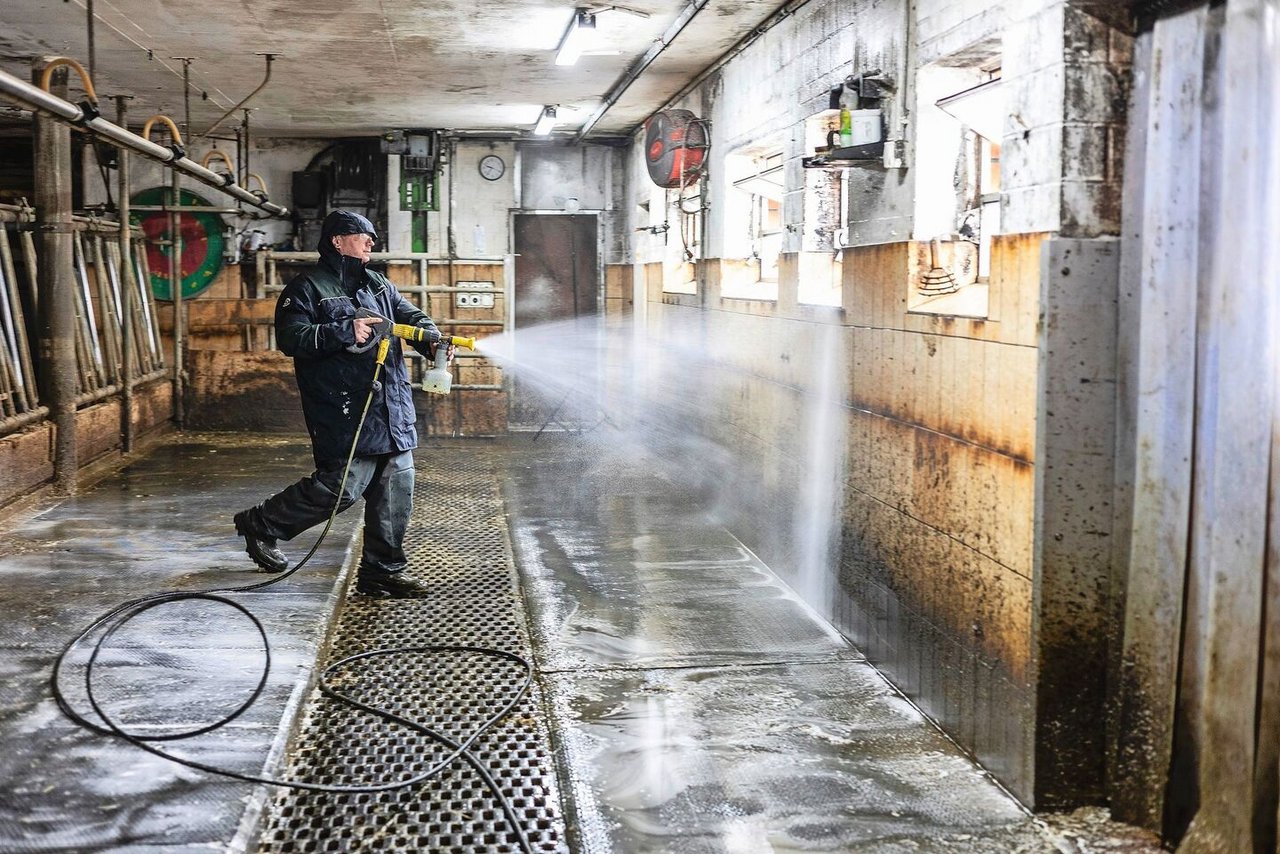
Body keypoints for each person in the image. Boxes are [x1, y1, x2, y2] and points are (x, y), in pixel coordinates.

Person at [233, 210, 451, 598]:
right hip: (344, 406)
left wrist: (432, 340)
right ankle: (262, 523)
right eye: (363, 235)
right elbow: (291, 338)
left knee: (396, 489)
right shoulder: (306, 288)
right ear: (338, 240)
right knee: (343, 487)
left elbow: (411, 318)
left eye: (372, 237)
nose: (371, 242)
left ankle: (381, 572)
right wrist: (343, 330)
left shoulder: (379, 285)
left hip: (391, 405)